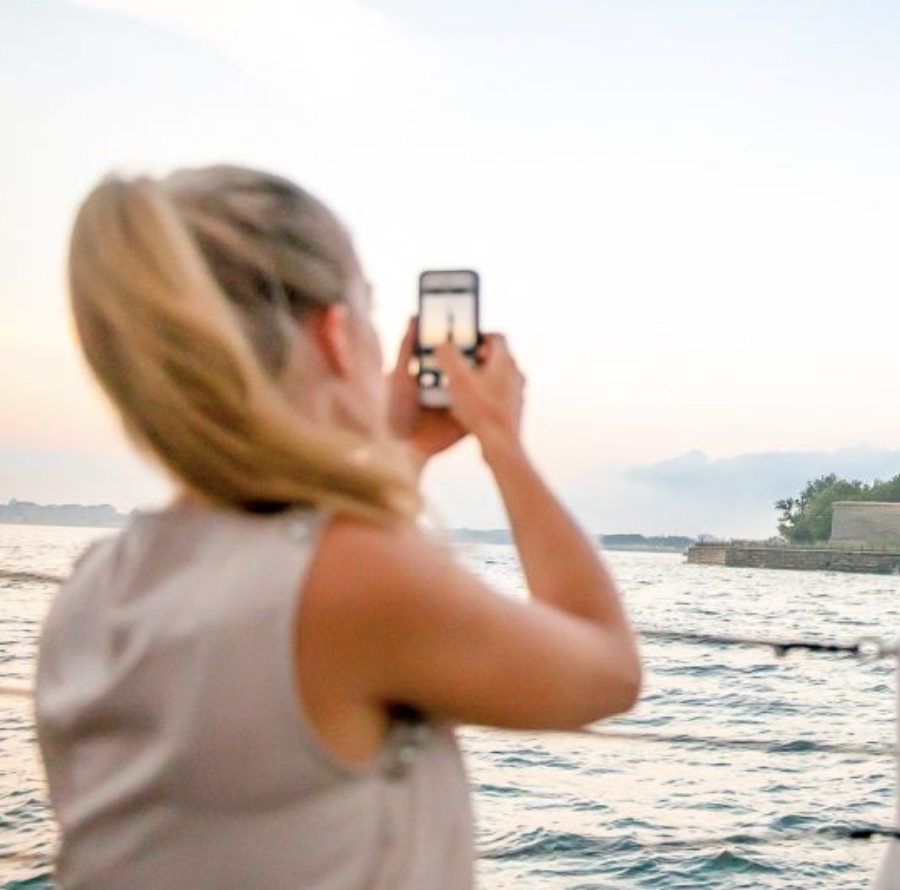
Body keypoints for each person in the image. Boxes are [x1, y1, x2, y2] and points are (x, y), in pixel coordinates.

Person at [34, 165, 642, 888]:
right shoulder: (350, 578)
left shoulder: (93, 590)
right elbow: (607, 671)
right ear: (334, 334)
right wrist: (503, 444)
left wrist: (401, 450)